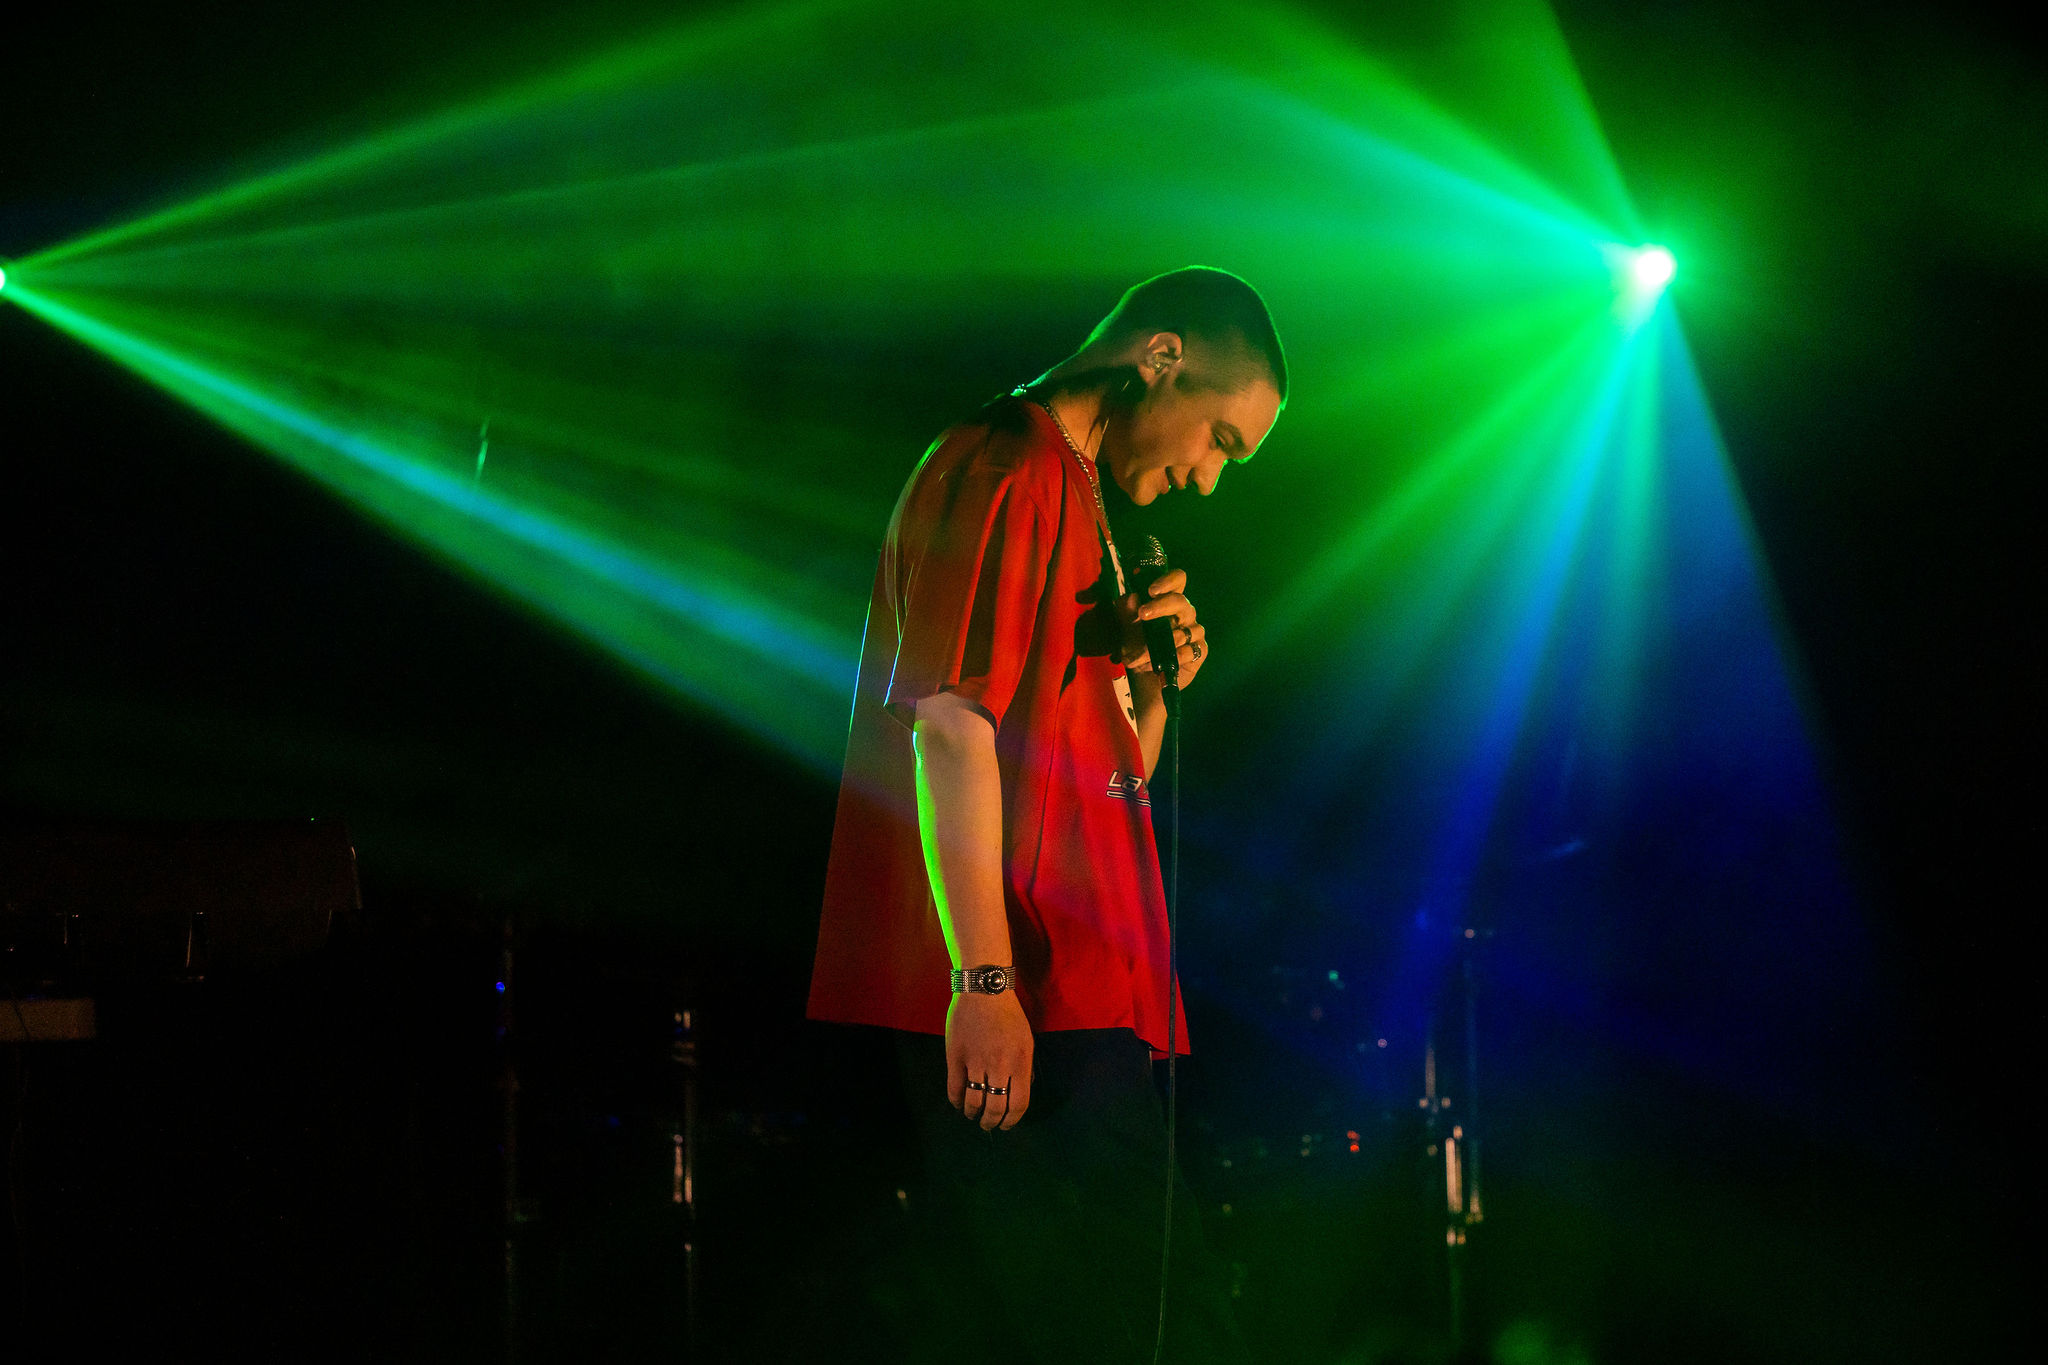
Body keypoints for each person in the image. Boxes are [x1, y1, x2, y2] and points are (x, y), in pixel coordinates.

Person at [807, 267, 1286, 1362]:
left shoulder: (1077, 496)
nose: (1209, 478)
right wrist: (982, 982)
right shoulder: (1006, 464)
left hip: (1076, 988)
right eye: (1220, 439)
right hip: (1027, 985)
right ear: (1160, 358)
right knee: (1150, 1320)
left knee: (1130, 1317)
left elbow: (1111, 781)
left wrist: (1148, 683)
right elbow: (946, 726)